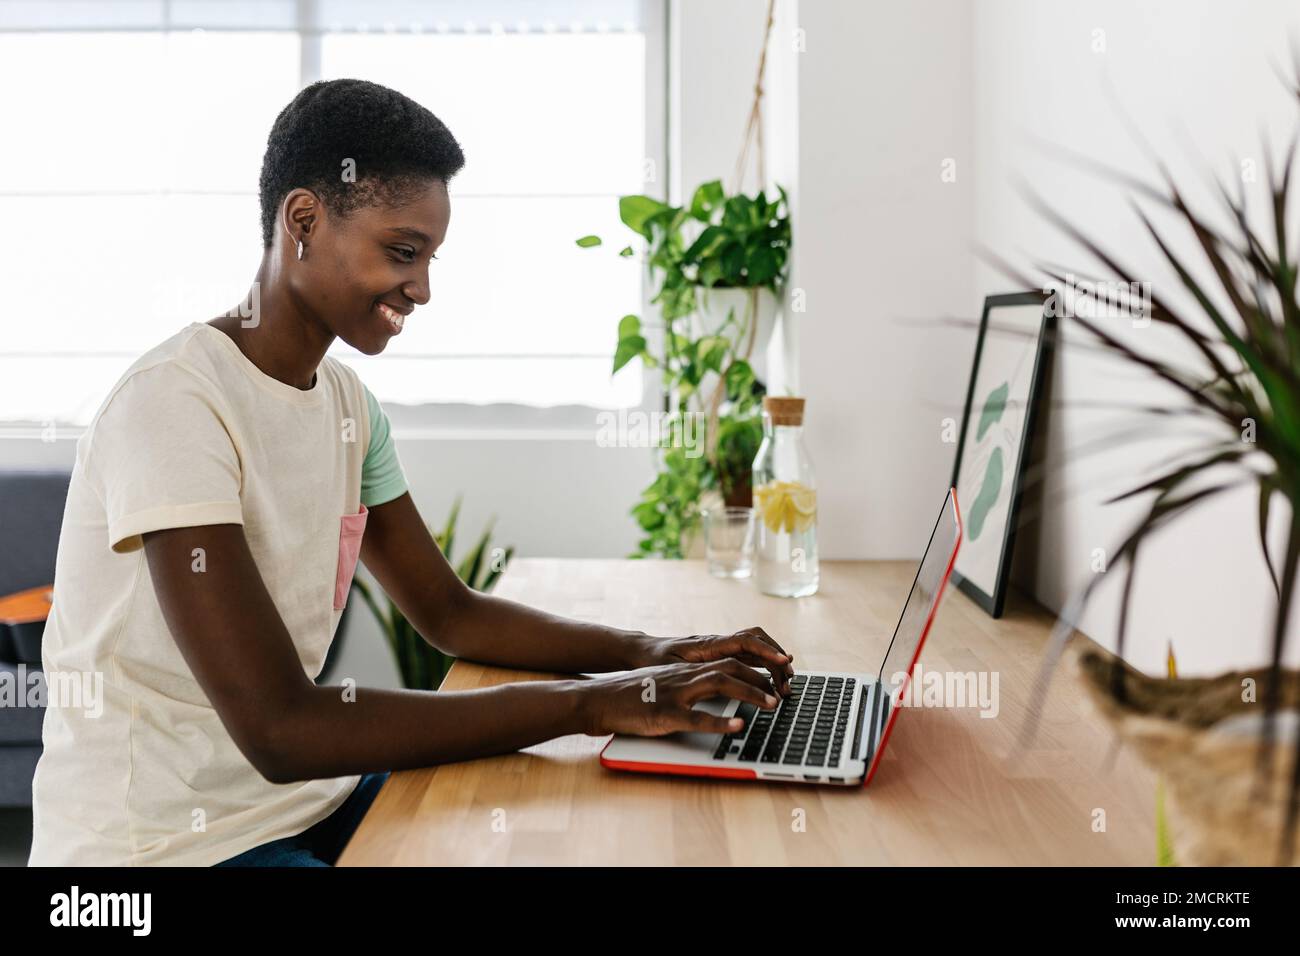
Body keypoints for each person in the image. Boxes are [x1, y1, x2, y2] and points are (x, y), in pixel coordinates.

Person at [28, 78, 793, 867]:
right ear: (303, 222)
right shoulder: (175, 405)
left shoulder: (348, 405)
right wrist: (594, 702)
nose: (422, 288)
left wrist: (655, 653)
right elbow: (280, 729)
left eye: (428, 257)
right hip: (154, 851)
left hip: (302, 803)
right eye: (402, 252)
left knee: (560, 824)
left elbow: (449, 613)